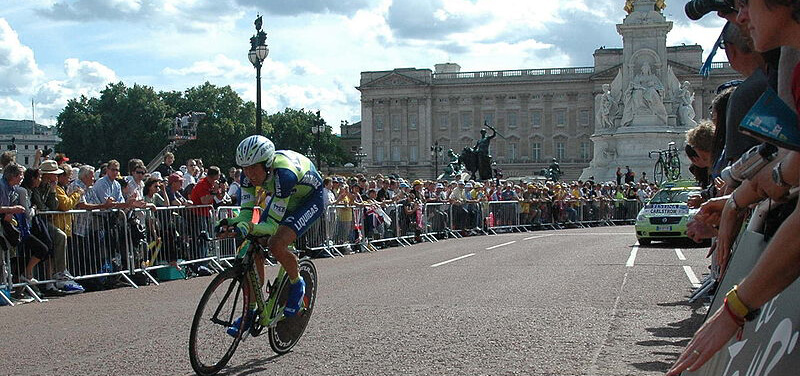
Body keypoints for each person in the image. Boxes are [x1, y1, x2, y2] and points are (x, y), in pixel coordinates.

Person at [668, 2, 800, 374]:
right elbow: (788, 161)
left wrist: (736, 307)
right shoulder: (789, 69)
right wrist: (737, 199)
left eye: (744, 3)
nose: (739, 18)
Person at [217, 135, 324, 336]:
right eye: (245, 168)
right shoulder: (247, 176)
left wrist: (248, 227)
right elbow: (247, 212)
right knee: (252, 245)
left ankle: (297, 282)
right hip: (285, 197)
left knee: (276, 243)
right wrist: (235, 223)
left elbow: (271, 225)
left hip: (309, 200)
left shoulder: (284, 174)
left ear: (267, 165)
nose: (249, 174)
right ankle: (251, 311)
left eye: (254, 168)